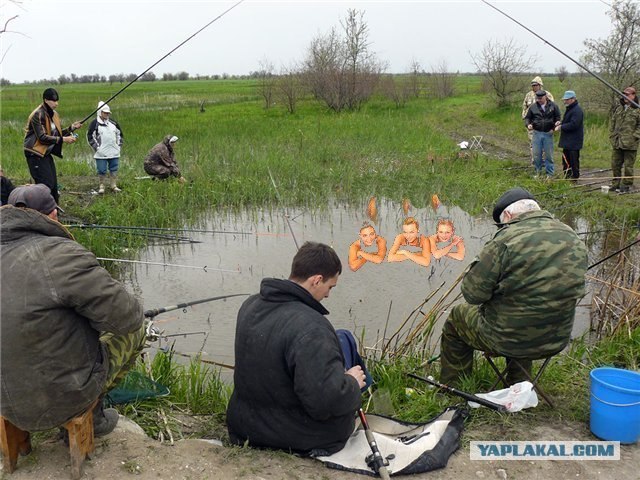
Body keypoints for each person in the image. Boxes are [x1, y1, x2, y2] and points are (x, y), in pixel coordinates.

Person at [1, 184, 147, 437]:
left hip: (4, 399)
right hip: (61, 399)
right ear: (54, 215)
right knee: (136, 330)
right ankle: (94, 413)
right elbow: (127, 315)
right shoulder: (62, 255)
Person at [227, 242, 366, 455]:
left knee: (343, 337)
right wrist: (352, 384)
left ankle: (358, 388)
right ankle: (363, 391)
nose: (328, 295)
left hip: (243, 426)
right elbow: (324, 404)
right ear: (316, 280)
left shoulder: (250, 305)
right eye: (330, 287)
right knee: (350, 360)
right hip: (294, 435)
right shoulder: (312, 327)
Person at [439, 188, 588, 387]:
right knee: (523, 309)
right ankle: (519, 384)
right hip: (556, 339)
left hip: (508, 340)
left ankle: (454, 388)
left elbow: (472, 295)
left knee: (457, 317)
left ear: (508, 215)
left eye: (502, 224)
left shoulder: (504, 240)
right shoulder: (572, 236)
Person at [23, 88, 82, 204]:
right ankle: (43, 212)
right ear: (45, 100)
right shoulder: (37, 115)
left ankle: (54, 212)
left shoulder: (54, 114)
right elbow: (42, 137)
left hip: (45, 153)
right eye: (53, 101)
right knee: (45, 185)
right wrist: (63, 139)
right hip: (34, 153)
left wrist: (71, 128)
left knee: (54, 185)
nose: (56, 104)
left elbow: (56, 134)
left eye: (57, 101)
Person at [87, 101, 124, 194]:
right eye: (105, 112)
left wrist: (118, 146)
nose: (107, 114)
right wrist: (97, 148)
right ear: (100, 112)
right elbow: (90, 137)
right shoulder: (94, 124)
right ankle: (102, 186)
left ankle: (113, 185)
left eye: (108, 113)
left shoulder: (113, 123)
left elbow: (120, 135)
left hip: (114, 152)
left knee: (114, 168)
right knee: (102, 170)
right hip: (101, 153)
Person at [609, 86, 640, 193]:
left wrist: (635, 136)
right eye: (624, 94)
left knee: (628, 166)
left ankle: (627, 185)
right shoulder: (619, 108)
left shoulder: (637, 109)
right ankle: (615, 183)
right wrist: (612, 134)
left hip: (630, 143)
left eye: (627, 94)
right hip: (617, 142)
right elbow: (613, 122)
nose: (625, 97)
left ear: (633, 95)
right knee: (615, 164)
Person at [524, 89, 561, 177]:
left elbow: (558, 117)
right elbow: (527, 118)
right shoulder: (533, 107)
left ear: (545, 97)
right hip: (536, 133)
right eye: (537, 98)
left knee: (549, 155)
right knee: (536, 154)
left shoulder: (553, 106)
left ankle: (550, 174)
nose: (539, 100)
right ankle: (538, 172)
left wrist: (555, 125)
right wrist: (528, 125)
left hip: (548, 133)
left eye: (540, 98)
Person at [522, 76, 555, 164]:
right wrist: (526, 120)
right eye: (532, 85)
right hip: (532, 124)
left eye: (535, 85)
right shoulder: (528, 95)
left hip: (544, 124)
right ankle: (535, 160)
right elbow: (524, 107)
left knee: (544, 142)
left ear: (540, 85)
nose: (534, 87)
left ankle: (544, 160)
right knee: (533, 142)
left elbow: (552, 108)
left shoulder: (547, 95)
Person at [556, 90, 584, 180]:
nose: (565, 101)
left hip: (574, 142)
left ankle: (574, 178)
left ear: (573, 99)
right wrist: (560, 122)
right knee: (566, 161)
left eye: (566, 99)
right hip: (567, 142)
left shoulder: (577, 110)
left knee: (573, 162)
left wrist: (561, 127)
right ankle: (567, 176)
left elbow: (574, 124)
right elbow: (568, 121)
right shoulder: (570, 109)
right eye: (564, 99)